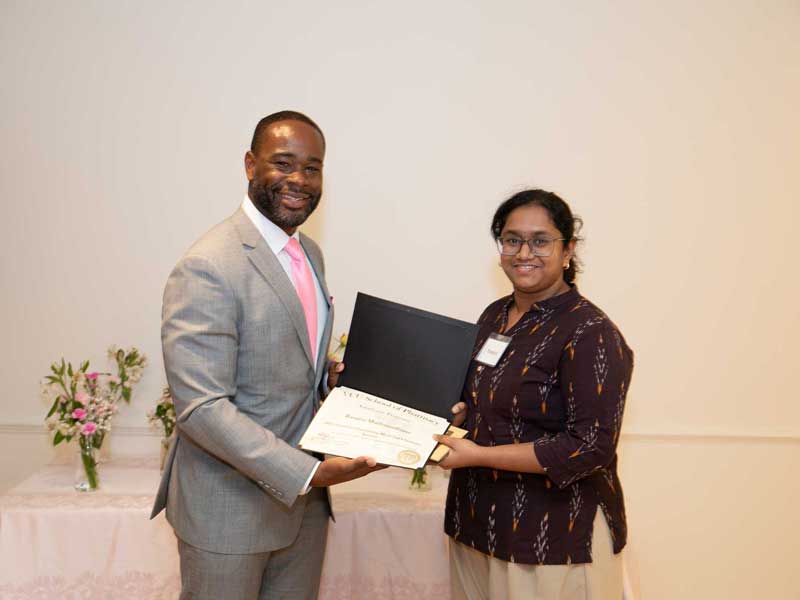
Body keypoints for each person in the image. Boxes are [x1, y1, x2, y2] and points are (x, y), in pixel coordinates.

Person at [151, 110, 380, 600]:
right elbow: (202, 408)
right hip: (228, 512)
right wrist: (307, 472)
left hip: (305, 510)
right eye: (283, 163)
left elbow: (292, 364)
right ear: (251, 165)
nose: (299, 179)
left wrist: (331, 383)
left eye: (312, 167)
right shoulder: (208, 264)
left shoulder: (310, 253)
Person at [435, 189, 634, 600]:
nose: (524, 251)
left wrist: (478, 455)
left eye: (541, 240)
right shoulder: (494, 316)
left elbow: (589, 446)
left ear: (568, 250)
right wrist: (456, 418)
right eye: (512, 239)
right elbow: (486, 407)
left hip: (551, 538)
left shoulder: (590, 331)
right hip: (475, 522)